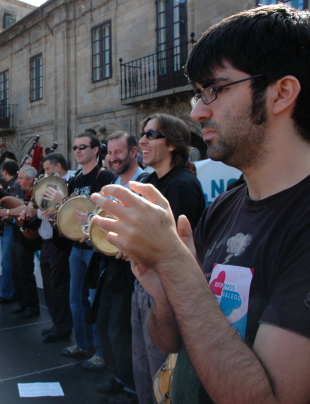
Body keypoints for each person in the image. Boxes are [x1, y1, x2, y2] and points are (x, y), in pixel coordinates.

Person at [91, 4, 310, 404]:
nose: (197, 110)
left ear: (281, 93)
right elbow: (171, 339)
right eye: (197, 93)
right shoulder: (226, 205)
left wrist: (174, 262)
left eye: (214, 89)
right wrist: (163, 289)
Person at [133, 113, 205, 404]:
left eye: (151, 134)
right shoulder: (148, 181)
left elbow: (178, 249)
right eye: (142, 133)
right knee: (142, 368)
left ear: (172, 143)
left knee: (163, 377)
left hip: (166, 293)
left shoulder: (183, 185)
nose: (142, 140)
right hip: (142, 286)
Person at [94, 131, 145, 404]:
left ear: (133, 152)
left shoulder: (143, 183)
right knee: (103, 327)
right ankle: (119, 377)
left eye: (118, 152)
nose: (112, 158)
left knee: (120, 331)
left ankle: (133, 388)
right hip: (110, 267)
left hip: (132, 270)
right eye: (110, 153)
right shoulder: (113, 182)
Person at [59, 133, 114, 369]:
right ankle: (83, 344)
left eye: (83, 146)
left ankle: (100, 352)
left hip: (94, 249)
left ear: (95, 150)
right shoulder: (76, 178)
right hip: (75, 247)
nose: (77, 150)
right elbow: (66, 209)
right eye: (75, 147)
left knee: (95, 301)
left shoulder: (104, 176)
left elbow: (105, 212)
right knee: (76, 299)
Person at [24, 153, 73, 342]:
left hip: (59, 244)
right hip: (46, 242)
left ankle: (63, 327)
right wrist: (33, 212)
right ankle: (56, 324)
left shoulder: (68, 185)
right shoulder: (48, 185)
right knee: (49, 287)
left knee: (58, 288)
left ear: (58, 167)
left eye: (47, 169)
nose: (43, 173)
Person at [0, 166, 41, 319]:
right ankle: (23, 304)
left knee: (25, 272)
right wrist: (9, 217)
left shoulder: (36, 194)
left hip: (27, 239)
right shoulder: (21, 191)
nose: (18, 181)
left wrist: (7, 213)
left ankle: (32, 307)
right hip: (17, 236)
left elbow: (24, 209)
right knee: (16, 271)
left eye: (21, 178)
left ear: (31, 179)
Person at [0, 160, 23, 303]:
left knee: (7, 263)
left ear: (5, 171)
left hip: (12, 227)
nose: (21, 182)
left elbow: (16, 207)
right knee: (8, 262)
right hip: (8, 227)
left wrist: (6, 214)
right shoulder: (9, 184)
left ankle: (7, 292)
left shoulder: (13, 186)